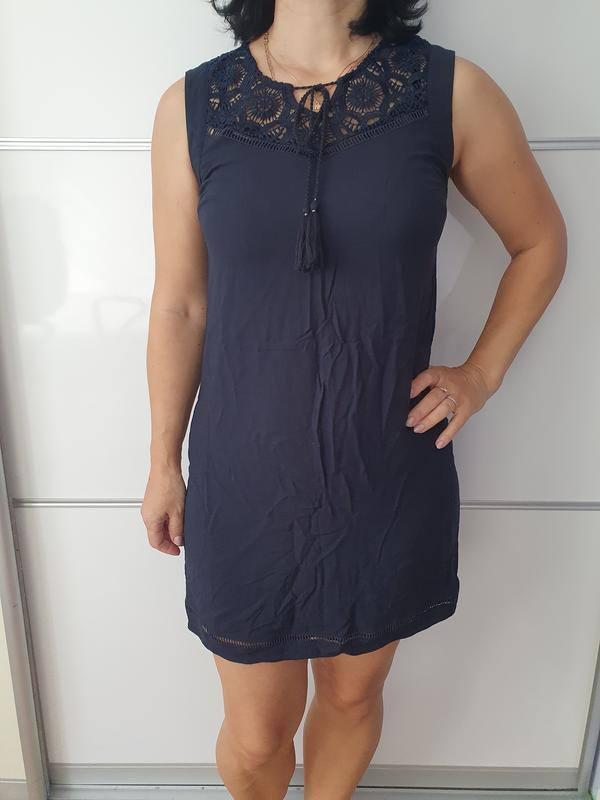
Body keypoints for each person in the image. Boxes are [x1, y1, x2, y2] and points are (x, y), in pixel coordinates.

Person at [141, 0, 567, 797]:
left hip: (383, 467)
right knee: (258, 734)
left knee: (351, 694)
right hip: (245, 476)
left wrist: (481, 374)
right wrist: (163, 460)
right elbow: (180, 305)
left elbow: (540, 241)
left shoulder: (451, 92)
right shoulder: (193, 106)